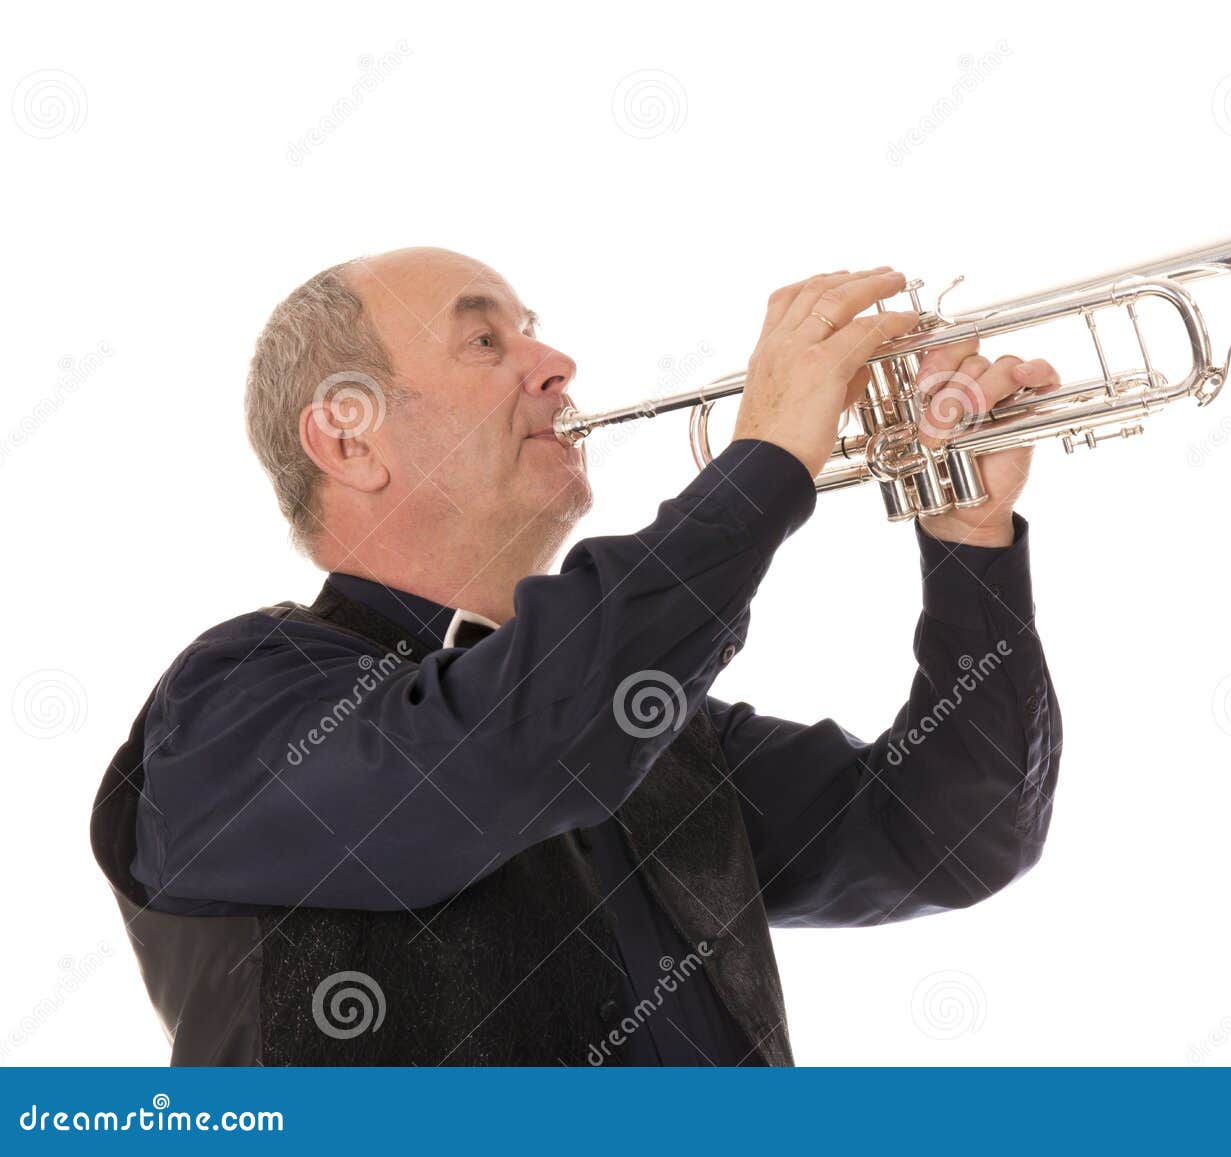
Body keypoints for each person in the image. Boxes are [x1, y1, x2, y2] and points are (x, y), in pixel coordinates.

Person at [90, 249, 1063, 1066]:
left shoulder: (649, 731)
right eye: (485, 340)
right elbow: (504, 751)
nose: (557, 364)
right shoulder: (227, 712)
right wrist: (764, 463)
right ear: (348, 439)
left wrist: (968, 538)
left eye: (532, 331)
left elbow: (957, 834)